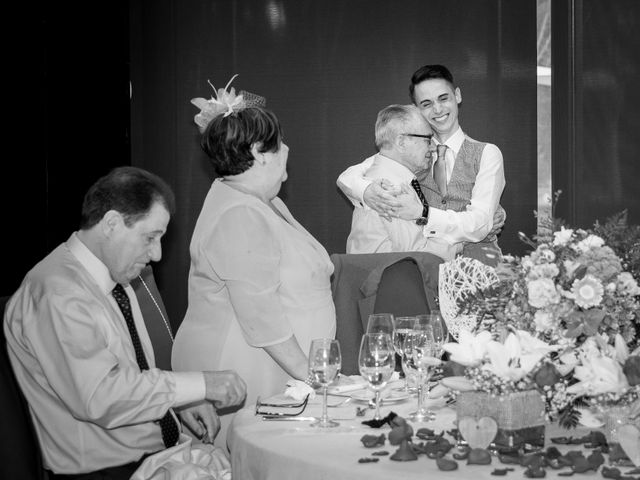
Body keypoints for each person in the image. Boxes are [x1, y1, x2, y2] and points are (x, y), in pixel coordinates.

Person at [4, 166, 247, 479]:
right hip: (109, 471)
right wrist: (201, 383)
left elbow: (129, 375)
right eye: (150, 238)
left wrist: (179, 403)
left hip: (153, 457)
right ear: (112, 224)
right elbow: (102, 396)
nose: (157, 254)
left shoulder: (112, 280)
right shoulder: (57, 293)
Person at [172, 79, 337, 450]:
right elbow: (260, 315)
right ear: (260, 151)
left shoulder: (263, 202)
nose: (288, 149)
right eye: (281, 143)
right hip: (245, 369)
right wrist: (319, 378)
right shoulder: (239, 214)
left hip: (275, 367)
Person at [337, 64, 506, 266]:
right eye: (426, 104)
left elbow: (481, 223)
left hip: (481, 267)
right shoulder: (409, 154)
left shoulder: (487, 153)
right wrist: (367, 192)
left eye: (443, 98)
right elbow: (348, 177)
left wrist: (423, 213)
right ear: (417, 109)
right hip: (428, 275)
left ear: (458, 96)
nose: (438, 109)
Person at [347, 103, 457, 260]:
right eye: (428, 139)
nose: (433, 148)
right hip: (391, 281)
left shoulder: (387, 178)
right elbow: (418, 254)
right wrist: (461, 239)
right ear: (401, 142)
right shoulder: (389, 188)